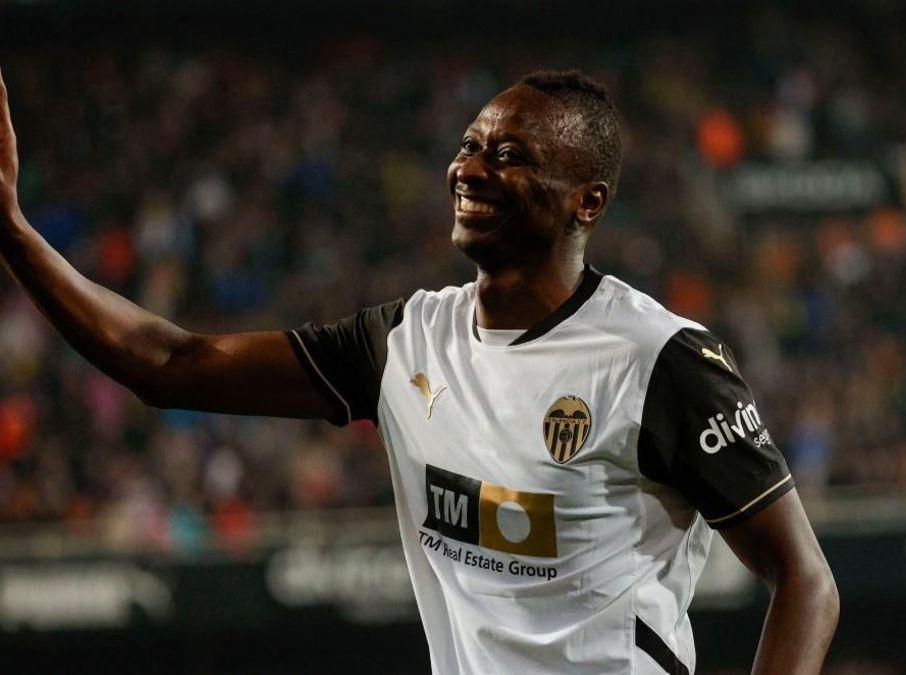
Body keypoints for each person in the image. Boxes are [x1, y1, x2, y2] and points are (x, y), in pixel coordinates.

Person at [0, 67, 838, 674]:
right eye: (470, 145)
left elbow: (805, 579)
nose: (470, 168)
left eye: (509, 154)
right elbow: (170, 363)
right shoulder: (405, 341)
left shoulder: (659, 359)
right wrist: (13, 230)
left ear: (589, 200)